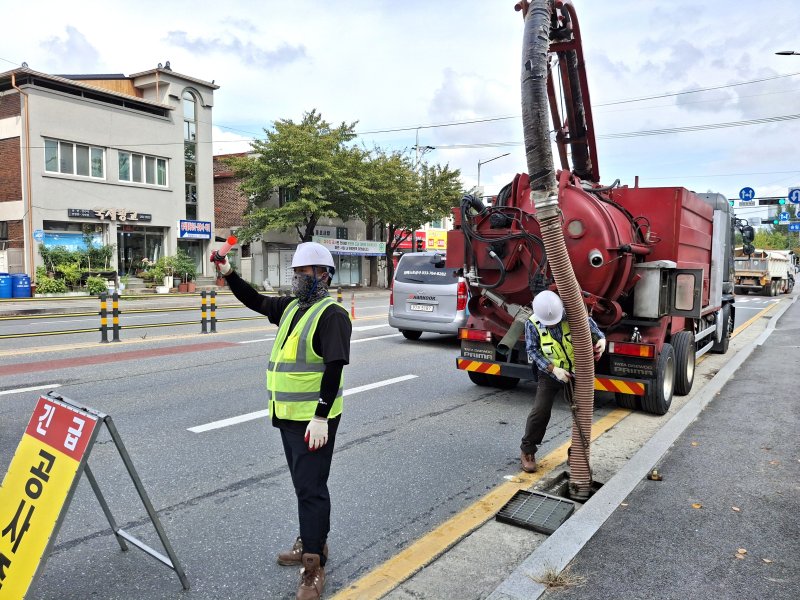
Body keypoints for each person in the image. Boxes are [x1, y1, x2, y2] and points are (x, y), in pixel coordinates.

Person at [211, 241, 351, 600]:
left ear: (324, 275)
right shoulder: (292, 308)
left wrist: (320, 416)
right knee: (305, 487)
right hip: (288, 416)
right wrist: (229, 273)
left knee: (311, 490)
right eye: (296, 272)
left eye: (305, 272)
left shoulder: (332, 315)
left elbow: (334, 368)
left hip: (312, 422)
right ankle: (314, 541)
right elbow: (255, 300)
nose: (298, 277)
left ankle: (313, 566)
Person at [520, 290, 605, 473]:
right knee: (540, 411)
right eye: (548, 323)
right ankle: (528, 450)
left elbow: (594, 330)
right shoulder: (532, 324)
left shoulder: (573, 314)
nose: (552, 325)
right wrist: (553, 369)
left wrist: (601, 340)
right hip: (550, 373)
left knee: (582, 413)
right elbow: (533, 350)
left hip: (577, 372)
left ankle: (577, 453)